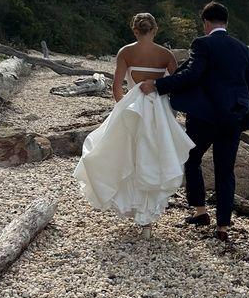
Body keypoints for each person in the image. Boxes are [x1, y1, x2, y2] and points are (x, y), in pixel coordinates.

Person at [139, 1, 249, 241]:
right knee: (226, 171)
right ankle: (223, 227)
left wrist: (158, 86)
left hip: (205, 117)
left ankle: (200, 211)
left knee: (191, 158)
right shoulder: (243, 48)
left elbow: (192, 75)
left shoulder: (203, 43)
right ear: (226, 22)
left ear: (206, 22)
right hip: (234, 116)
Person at [73, 13, 194, 236]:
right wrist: (169, 110)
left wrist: (123, 107)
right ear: (155, 30)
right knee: (154, 158)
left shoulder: (126, 52)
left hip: (132, 110)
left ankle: (133, 208)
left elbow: (117, 87)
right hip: (158, 111)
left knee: (128, 157)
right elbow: (176, 85)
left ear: (135, 30)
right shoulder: (166, 54)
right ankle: (147, 218)